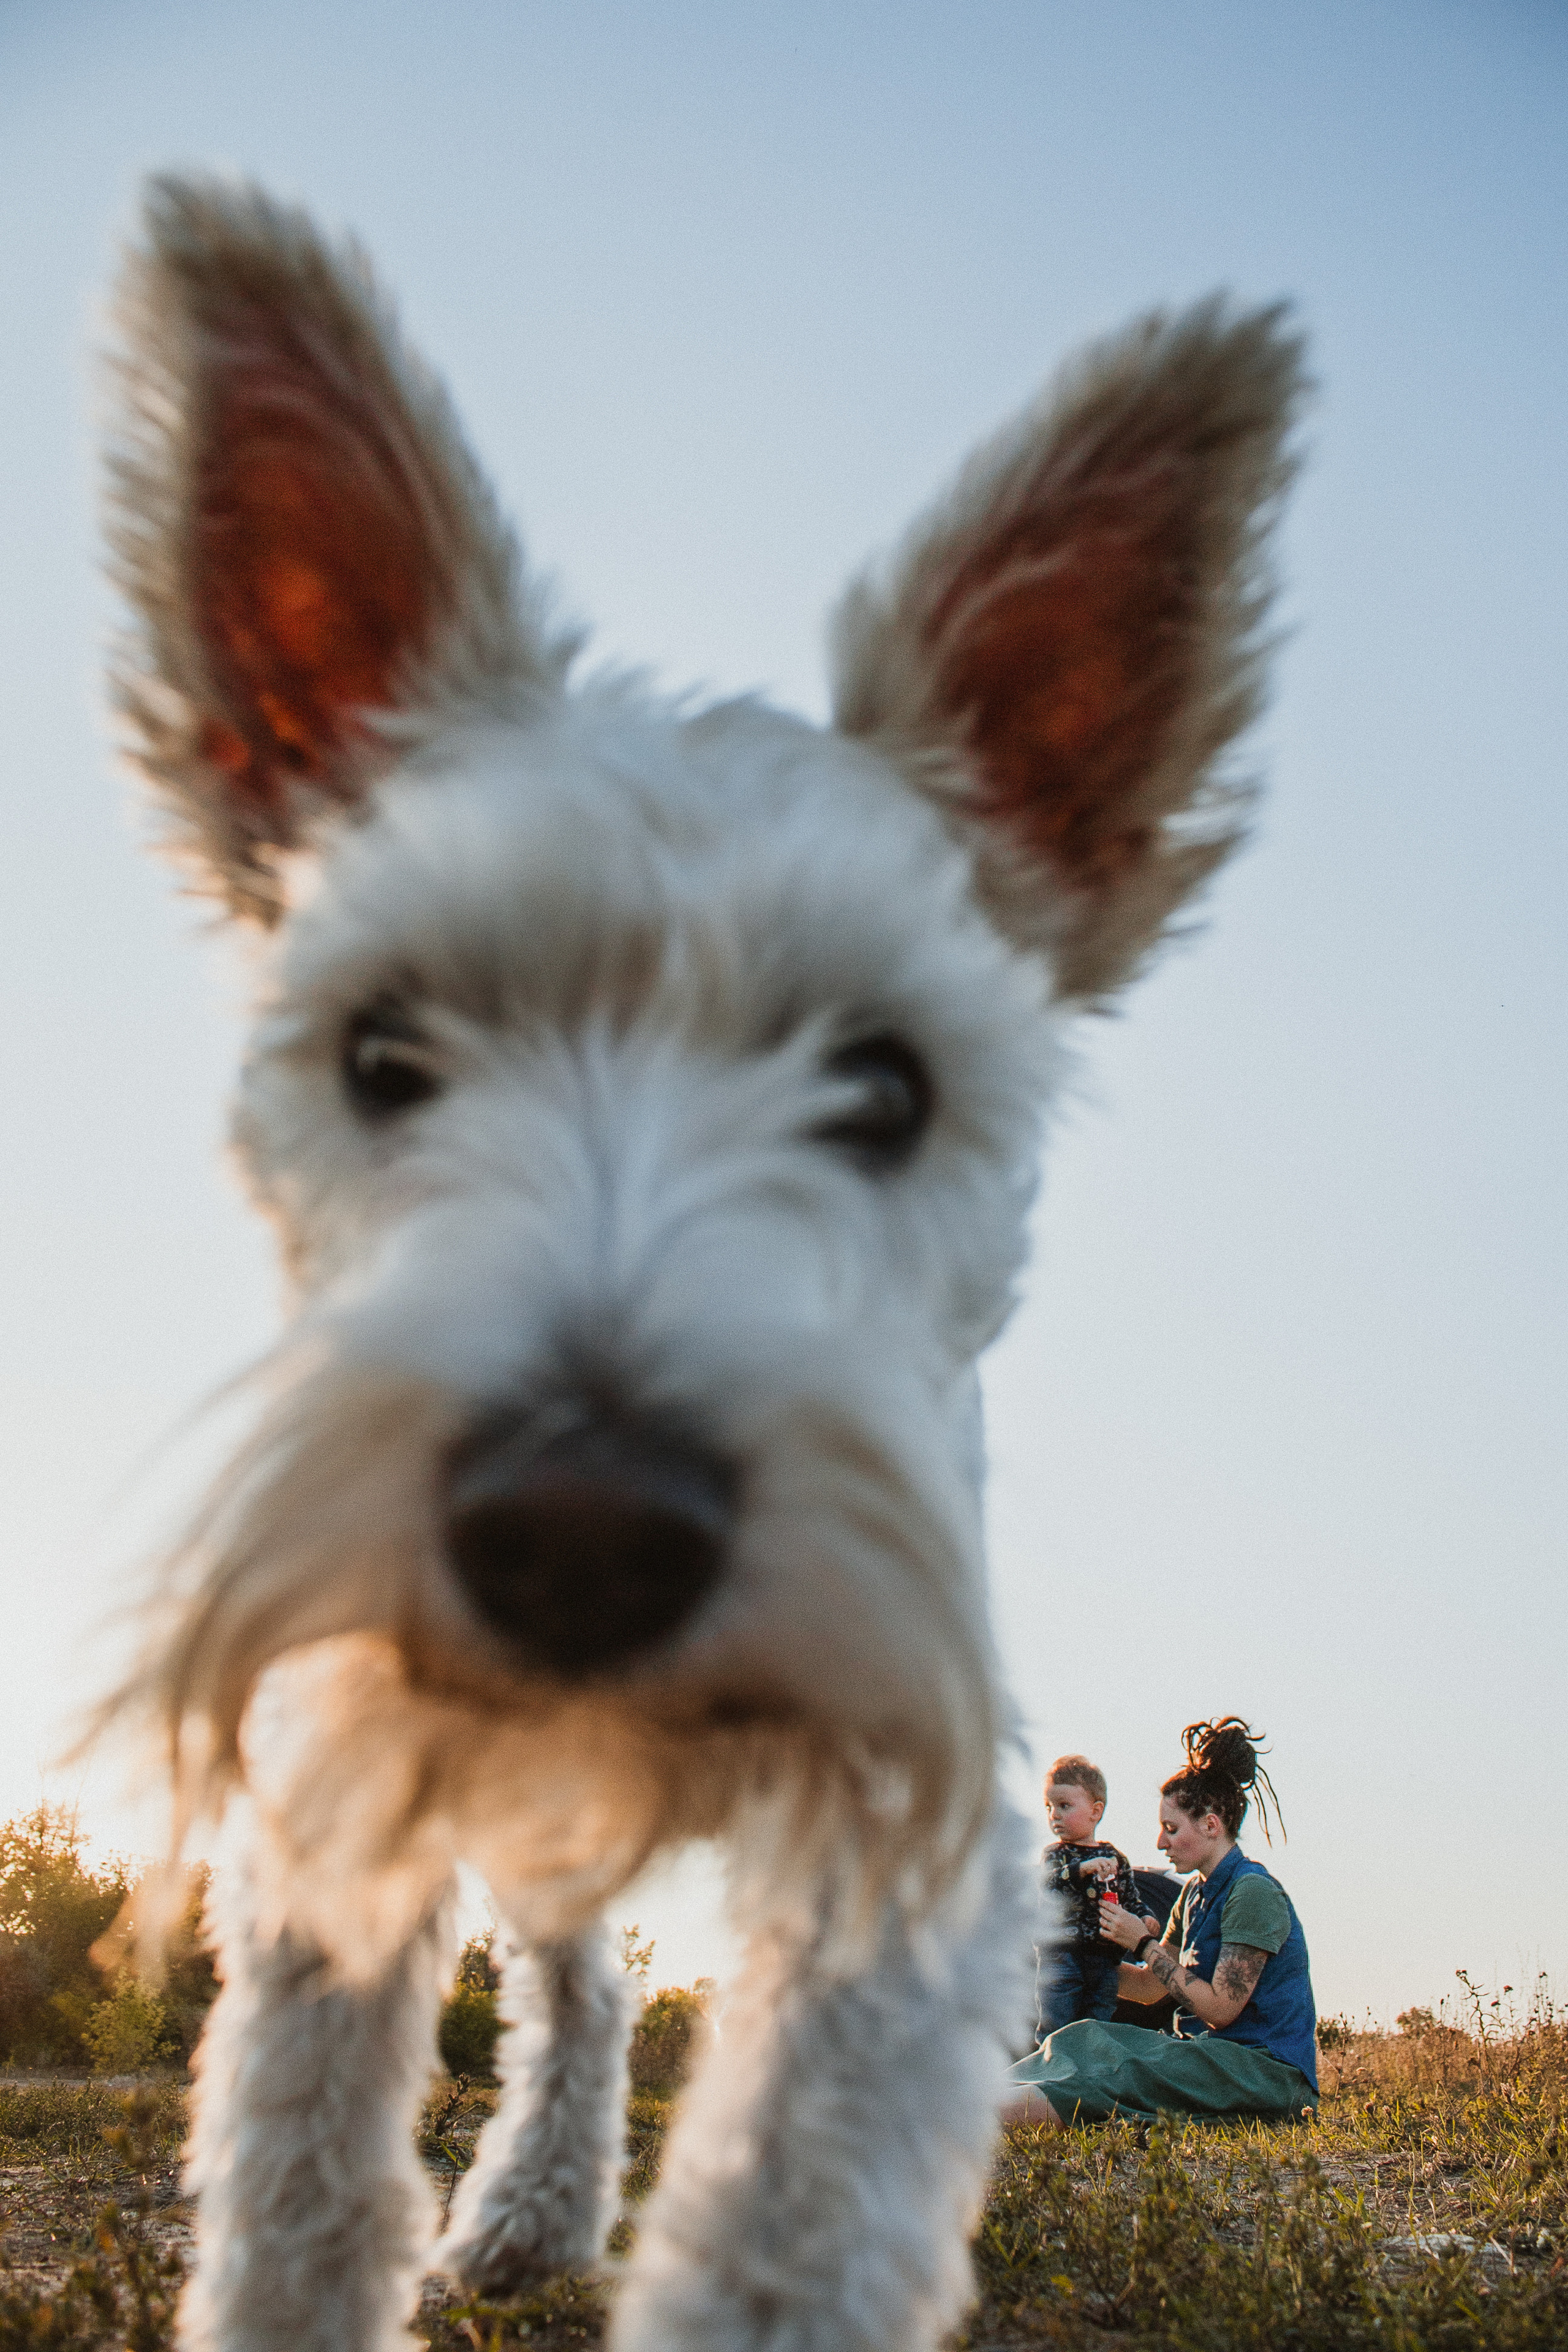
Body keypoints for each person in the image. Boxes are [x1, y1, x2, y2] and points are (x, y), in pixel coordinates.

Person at [1003, 1719, 1317, 2127]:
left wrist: (1144, 1944)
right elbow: (1151, 1988)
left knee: (1116, 2078)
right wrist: (1070, 1960)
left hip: (1264, 2073)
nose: (1160, 1843)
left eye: (1171, 1829)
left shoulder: (1252, 1893)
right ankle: (971, 2094)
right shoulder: (1192, 1895)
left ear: (1210, 1824)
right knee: (1083, 2038)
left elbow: (1221, 2009)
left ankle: (962, 2121)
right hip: (1212, 2057)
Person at [1035, 1755, 1152, 2034]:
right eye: (1049, 1807)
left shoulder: (1114, 1858)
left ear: (1096, 1811)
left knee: (1098, 2023)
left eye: (1064, 1806)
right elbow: (1048, 1885)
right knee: (1057, 2021)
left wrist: (1145, 1916)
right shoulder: (1055, 1855)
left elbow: (1129, 1897)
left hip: (1104, 1959)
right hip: (1062, 1955)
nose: (1055, 1815)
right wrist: (1082, 1869)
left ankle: (1091, 2073)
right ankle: (1053, 2069)